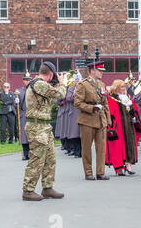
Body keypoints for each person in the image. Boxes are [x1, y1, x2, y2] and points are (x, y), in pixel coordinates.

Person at [22, 62, 66, 201]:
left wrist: (55, 86)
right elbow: (60, 94)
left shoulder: (41, 86)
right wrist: (62, 83)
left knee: (50, 158)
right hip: (37, 127)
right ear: (51, 74)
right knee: (37, 159)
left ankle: (47, 188)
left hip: (45, 127)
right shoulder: (39, 83)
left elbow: (52, 100)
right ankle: (28, 190)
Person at [74, 60, 111, 181]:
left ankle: (100, 172)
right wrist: (91, 108)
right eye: (100, 71)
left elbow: (105, 103)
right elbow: (77, 103)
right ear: (92, 71)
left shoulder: (101, 85)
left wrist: (108, 120)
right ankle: (88, 172)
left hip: (100, 120)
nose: (102, 73)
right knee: (86, 148)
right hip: (87, 120)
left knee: (101, 148)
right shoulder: (83, 84)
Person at [17, 71, 32, 160]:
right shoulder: (19, 91)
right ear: (23, 81)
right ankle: (25, 153)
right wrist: (16, 101)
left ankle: (30, 153)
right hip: (23, 114)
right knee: (23, 135)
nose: (27, 81)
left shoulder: (34, 90)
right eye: (26, 80)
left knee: (30, 134)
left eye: (29, 80)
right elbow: (16, 106)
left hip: (31, 115)